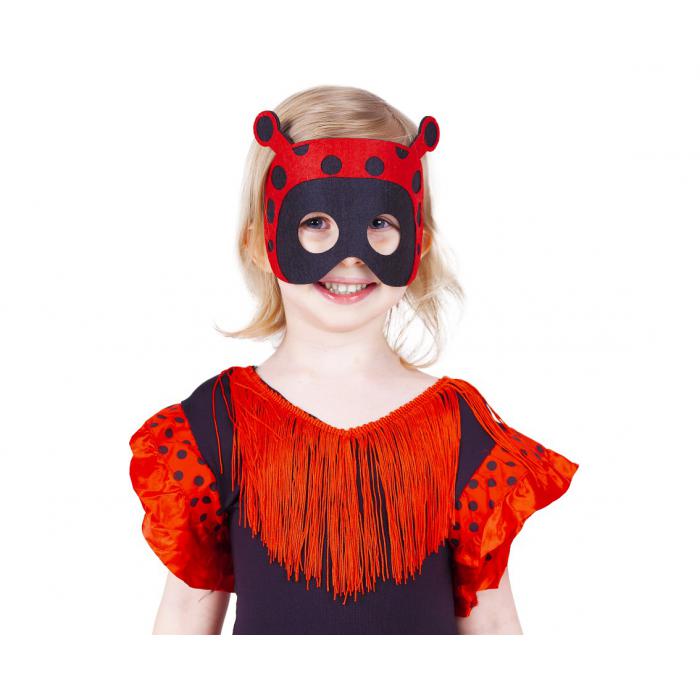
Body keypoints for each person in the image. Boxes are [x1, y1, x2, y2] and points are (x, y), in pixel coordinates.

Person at [128, 84, 580, 635]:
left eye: (380, 224)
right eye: (315, 222)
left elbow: (492, 622)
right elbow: (184, 614)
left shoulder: (458, 424)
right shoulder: (217, 423)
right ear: (261, 244)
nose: (349, 257)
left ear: (418, 245)